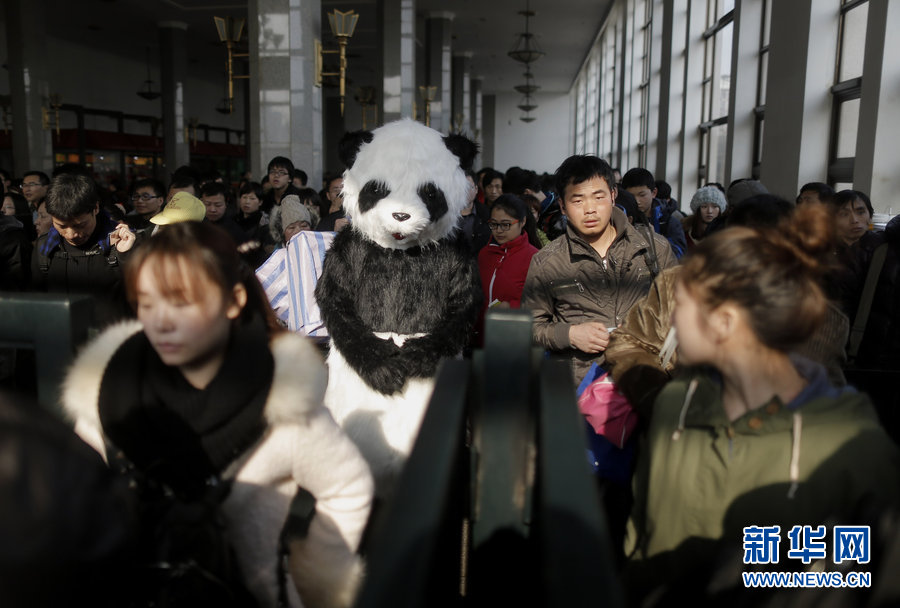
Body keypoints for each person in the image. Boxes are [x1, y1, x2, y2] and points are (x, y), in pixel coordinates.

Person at [60, 221, 373, 607]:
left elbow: (347, 487)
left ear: (234, 300)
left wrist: (317, 574)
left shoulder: (282, 403)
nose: (160, 321)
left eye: (181, 301)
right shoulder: (106, 391)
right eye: (146, 301)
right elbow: (73, 497)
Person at [622, 204, 900, 604]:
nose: (674, 323)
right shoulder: (678, 405)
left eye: (683, 307)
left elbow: (853, 582)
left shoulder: (852, 451)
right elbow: (643, 539)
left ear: (726, 322)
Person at [521, 155, 677, 385]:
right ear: (562, 206)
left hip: (646, 382)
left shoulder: (654, 248)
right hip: (580, 392)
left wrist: (645, 328)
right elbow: (530, 326)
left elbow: (683, 311)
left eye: (598, 196)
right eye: (578, 200)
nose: (590, 209)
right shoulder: (548, 262)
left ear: (613, 196)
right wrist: (570, 334)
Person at [32, 173, 136, 328]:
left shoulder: (124, 243)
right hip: (61, 340)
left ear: (95, 208)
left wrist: (126, 256)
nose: (71, 234)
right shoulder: (45, 249)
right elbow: (36, 304)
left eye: (80, 225)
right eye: (61, 226)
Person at [476, 194, 540, 344]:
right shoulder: (484, 254)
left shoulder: (534, 257)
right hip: (482, 339)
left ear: (523, 221)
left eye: (505, 225)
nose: (498, 230)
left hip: (517, 340)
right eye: (494, 224)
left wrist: (511, 306)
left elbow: (542, 303)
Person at [621, 167, 686, 258]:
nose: (637, 201)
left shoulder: (668, 222)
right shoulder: (620, 219)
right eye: (631, 196)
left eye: (642, 195)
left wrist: (654, 239)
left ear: (654, 193)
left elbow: (679, 254)